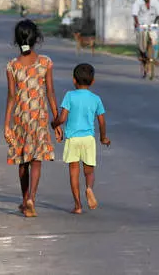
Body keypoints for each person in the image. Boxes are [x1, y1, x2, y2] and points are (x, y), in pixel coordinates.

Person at [4, 19, 62, 217]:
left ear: (17, 40)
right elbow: (50, 92)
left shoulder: (12, 66)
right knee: (37, 159)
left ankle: (24, 198)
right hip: (39, 118)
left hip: (21, 119)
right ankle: (32, 199)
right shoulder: (45, 62)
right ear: (36, 38)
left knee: (23, 160)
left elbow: (11, 96)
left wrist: (6, 125)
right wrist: (57, 120)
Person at [52, 63, 110, 214]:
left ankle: (78, 206)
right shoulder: (96, 99)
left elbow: (63, 118)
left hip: (73, 139)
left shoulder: (69, 96)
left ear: (74, 80)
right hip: (88, 139)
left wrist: (54, 124)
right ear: (92, 82)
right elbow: (102, 121)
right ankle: (89, 189)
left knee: (74, 173)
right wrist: (103, 138)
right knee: (89, 171)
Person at [132, 0, 159, 74]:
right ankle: (142, 54)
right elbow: (135, 13)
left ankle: (154, 57)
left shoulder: (155, 1)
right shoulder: (138, 2)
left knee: (155, 40)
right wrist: (136, 23)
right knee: (141, 41)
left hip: (152, 23)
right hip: (142, 24)